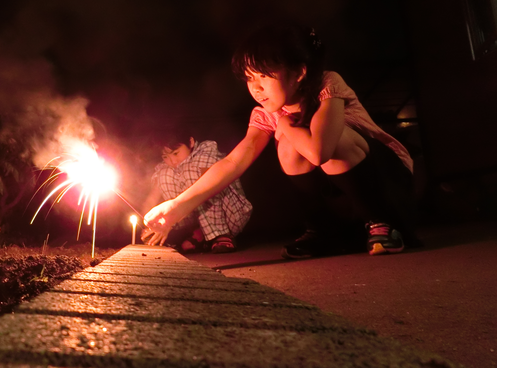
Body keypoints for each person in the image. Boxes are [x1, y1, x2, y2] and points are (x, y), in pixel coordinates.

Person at [144, 22, 419, 257]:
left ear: (299, 72)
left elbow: (319, 151)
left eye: (264, 75)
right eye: (250, 78)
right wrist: (177, 206)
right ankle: (322, 232)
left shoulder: (328, 86)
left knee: (325, 139)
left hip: (387, 185)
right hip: (342, 202)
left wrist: (286, 123)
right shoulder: (265, 114)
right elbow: (232, 162)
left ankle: (383, 223)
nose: (256, 88)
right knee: (289, 146)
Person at [140, 129, 253, 254]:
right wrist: (152, 223)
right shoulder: (167, 168)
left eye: (176, 153)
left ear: (191, 142)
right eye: (166, 157)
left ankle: (220, 234)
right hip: (197, 221)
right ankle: (197, 233)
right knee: (164, 174)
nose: (172, 161)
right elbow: (152, 198)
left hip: (231, 214)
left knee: (193, 170)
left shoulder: (206, 155)